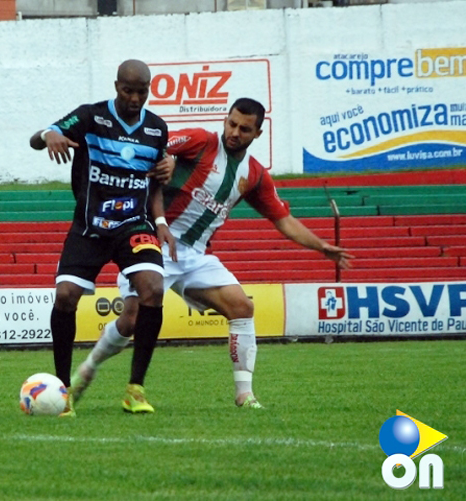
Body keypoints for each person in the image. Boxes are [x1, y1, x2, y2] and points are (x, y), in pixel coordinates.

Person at [70, 97, 354, 409]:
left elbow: (282, 219)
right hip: (154, 241)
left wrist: (322, 245)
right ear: (225, 120)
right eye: (232, 123)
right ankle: (88, 368)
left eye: (245, 129)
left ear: (257, 134)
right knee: (132, 319)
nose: (235, 132)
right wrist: (167, 160)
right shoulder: (200, 141)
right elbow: (154, 148)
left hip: (194, 255)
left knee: (242, 307)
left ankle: (244, 395)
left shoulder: (255, 174)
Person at [29, 59, 176, 416]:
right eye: (128, 90)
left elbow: (155, 182)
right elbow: (38, 138)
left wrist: (159, 218)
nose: (135, 98)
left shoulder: (157, 130)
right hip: (90, 226)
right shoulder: (90, 117)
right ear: (116, 86)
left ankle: (135, 390)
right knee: (65, 297)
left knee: (153, 289)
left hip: (134, 226)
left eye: (142, 91)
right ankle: (62, 393)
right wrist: (49, 135)